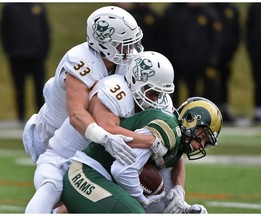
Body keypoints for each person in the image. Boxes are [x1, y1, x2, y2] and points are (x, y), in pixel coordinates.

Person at [25, 51, 175, 213]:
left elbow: (175, 149)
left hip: (97, 167)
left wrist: (178, 190)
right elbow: (107, 129)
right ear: (135, 79)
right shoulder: (115, 90)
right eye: (152, 92)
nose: (155, 100)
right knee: (51, 188)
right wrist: (150, 141)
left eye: (159, 94)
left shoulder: (158, 103)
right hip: (62, 159)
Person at [22, 6, 167, 168]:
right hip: (53, 137)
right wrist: (105, 137)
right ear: (104, 43)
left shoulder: (127, 60)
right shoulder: (80, 60)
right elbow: (77, 115)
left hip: (91, 135)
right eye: (124, 43)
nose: (131, 49)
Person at [61, 97, 223, 213]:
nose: (200, 146)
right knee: (134, 211)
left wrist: (182, 204)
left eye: (205, 143)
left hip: (101, 180)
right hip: (85, 174)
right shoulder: (169, 130)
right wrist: (142, 199)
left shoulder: (176, 143)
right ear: (190, 120)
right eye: (201, 137)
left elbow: (161, 202)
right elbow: (122, 171)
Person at [161, 3, 222, 107]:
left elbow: (216, 38)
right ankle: (191, 112)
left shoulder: (209, 14)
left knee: (209, 87)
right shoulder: (183, 15)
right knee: (191, 89)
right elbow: (178, 38)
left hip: (205, 61)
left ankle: (210, 110)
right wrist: (181, 56)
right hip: (188, 61)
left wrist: (213, 56)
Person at [0, 3, 50, 123]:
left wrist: (44, 50)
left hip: (37, 56)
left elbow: (45, 29)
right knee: (19, 88)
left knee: (40, 88)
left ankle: (41, 117)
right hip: (18, 57)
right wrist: (9, 51)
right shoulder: (9, 7)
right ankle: (21, 117)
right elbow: (3, 30)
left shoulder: (38, 6)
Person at [210, 3, 240, 123]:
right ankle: (211, 110)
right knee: (211, 84)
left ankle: (224, 109)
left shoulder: (232, 9)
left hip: (227, 55)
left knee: (224, 82)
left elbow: (236, 33)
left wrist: (231, 51)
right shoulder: (209, 9)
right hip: (211, 56)